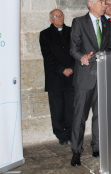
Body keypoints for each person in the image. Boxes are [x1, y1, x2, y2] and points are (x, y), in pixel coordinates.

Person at [69, 0, 111, 167]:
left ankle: (97, 146)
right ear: (90, 4)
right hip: (85, 77)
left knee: (100, 115)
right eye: (101, 2)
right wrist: (81, 57)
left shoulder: (106, 24)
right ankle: (76, 151)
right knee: (79, 117)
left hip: (102, 75)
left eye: (105, 3)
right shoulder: (79, 22)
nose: (105, 6)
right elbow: (73, 48)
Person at [39, 9, 75, 145]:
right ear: (51, 19)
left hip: (71, 76)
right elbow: (48, 57)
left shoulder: (72, 31)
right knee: (57, 108)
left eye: (61, 15)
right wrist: (62, 70)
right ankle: (61, 135)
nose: (59, 18)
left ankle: (71, 133)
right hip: (55, 77)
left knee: (71, 108)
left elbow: (76, 51)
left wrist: (71, 68)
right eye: (56, 16)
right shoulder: (45, 35)